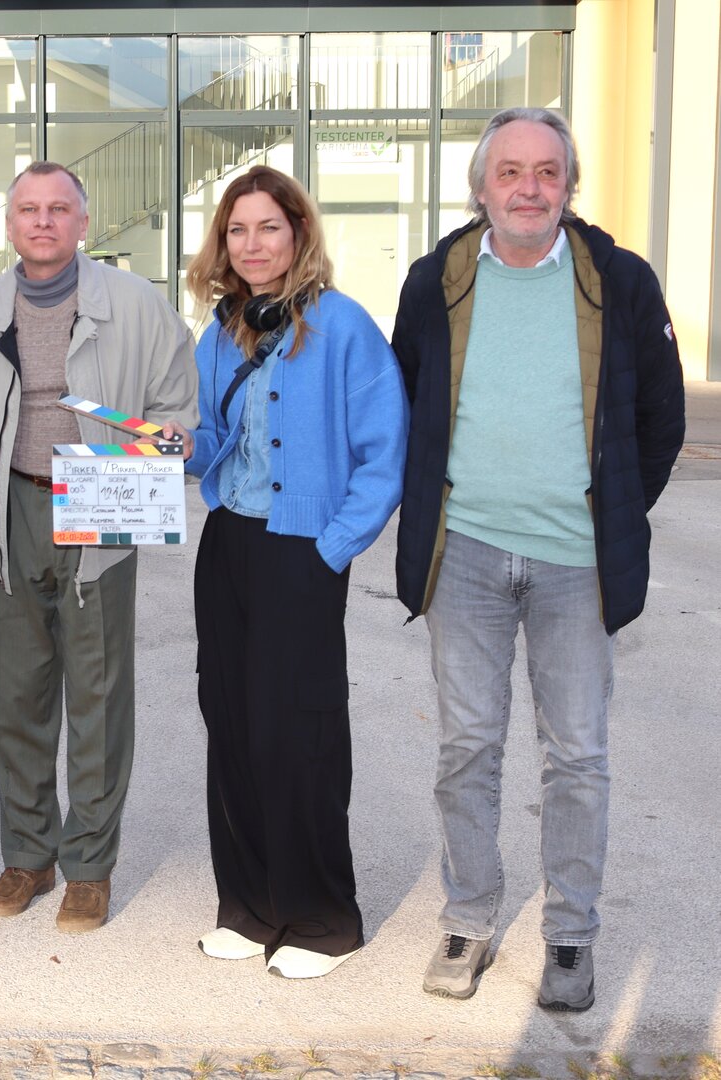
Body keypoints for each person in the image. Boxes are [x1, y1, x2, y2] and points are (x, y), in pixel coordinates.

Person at [393, 107, 685, 1009]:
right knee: (468, 746)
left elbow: (660, 422)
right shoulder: (433, 281)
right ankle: (470, 918)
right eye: (511, 171)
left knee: (578, 755)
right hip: (467, 555)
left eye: (547, 172)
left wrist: (614, 518)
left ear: (569, 186)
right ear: (481, 187)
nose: (529, 188)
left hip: (576, 564)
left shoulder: (622, 283)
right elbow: (404, 404)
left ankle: (569, 936)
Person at [0, 161, 198, 933]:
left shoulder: (138, 307)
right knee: (17, 695)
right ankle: (27, 855)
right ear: (11, 224)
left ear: (84, 223)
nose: (44, 222)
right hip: (14, 504)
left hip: (98, 502)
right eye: (28, 209)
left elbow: (174, 403)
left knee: (98, 691)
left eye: (59, 209)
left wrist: (157, 452)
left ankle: (90, 864)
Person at [182, 165, 408, 979]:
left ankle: (319, 919)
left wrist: (333, 546)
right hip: (229, 547)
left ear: (298, 233)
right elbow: (214, 445)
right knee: (232, 722)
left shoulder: (343, 327)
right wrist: (171, 447)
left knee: (300, 732)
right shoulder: (221, 332)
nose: (252, 245)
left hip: (301, 550)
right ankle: (247, 906)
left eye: (267, 228)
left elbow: (386, 454)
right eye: (237, 231)